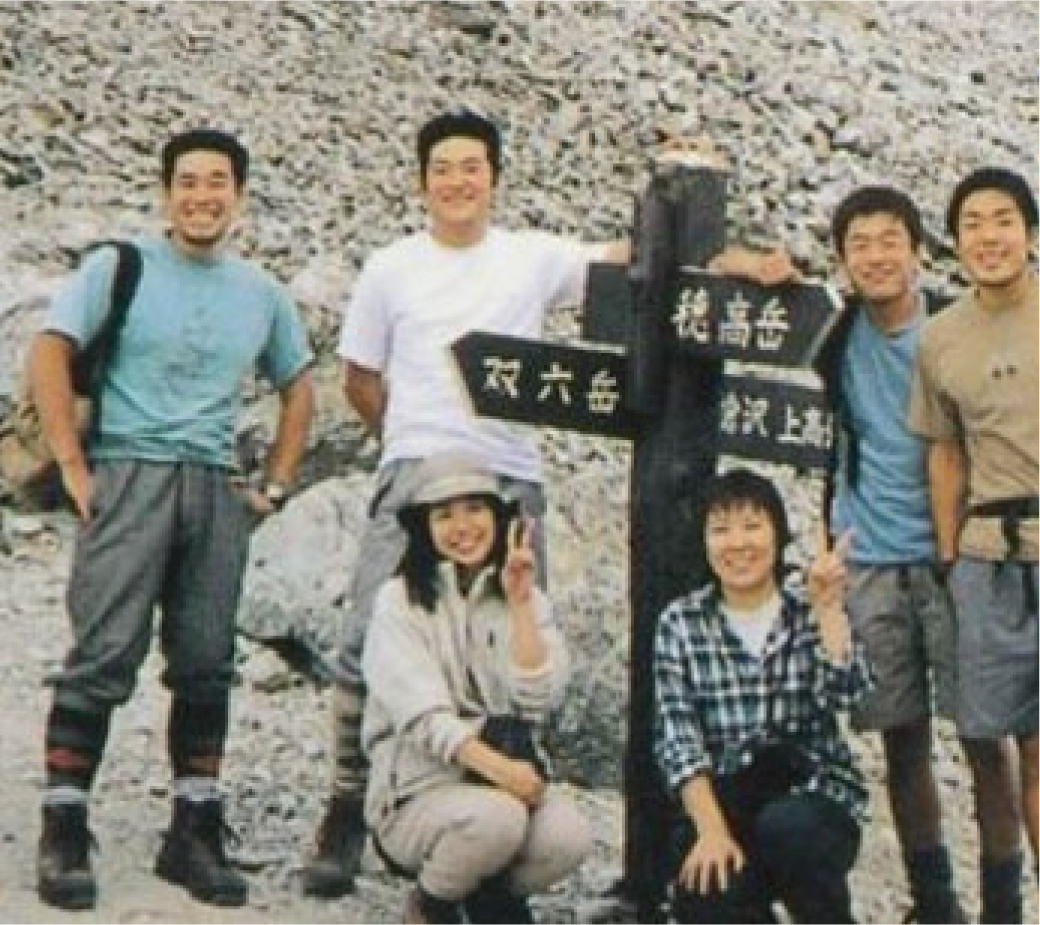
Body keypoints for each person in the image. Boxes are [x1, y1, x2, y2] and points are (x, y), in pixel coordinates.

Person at [303, 107, 798, 896]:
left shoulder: (529, 256)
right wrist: (409, 435)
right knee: (370, 630)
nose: (458, 181)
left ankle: (492, 805)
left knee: (512, 637)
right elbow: (361, 378)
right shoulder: (390, 267)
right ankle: (348, 801)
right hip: (417, 470)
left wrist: (733, 259)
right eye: (442, 169)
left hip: (508, 476)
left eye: (472, 167)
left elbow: (638, 261)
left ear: (494, 177)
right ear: (421, 182)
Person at [30, 128, 315, 910]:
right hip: (130, 469)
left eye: (217, 182)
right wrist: (72, 463)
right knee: (104, 649)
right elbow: (49, 349)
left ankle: (193, 829)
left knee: (205, 657)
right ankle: (63, 824)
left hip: (214, 483)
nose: (201, 196)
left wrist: (276, 482)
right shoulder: (118, 266)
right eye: (187, 182)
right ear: (165, 193)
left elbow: (298, 385)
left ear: (239, 195)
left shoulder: (261, 292)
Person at [820, 185, 1020, 924]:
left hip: (956, 558)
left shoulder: (954, 330)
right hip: (870, 559)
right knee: (901, 738)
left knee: (984, 737)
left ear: (918, 251)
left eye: (889, 240)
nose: (875, 256)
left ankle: (1003, 906)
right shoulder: (837, 331)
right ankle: (933, 903)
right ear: (842, 260)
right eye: (859, 244)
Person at [361, 451, 588, 925]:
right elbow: (425, 718)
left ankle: (486, 897)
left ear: (499, 517)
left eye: (475, 509)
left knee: (569, 837)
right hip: (419, 792)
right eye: (444, 515)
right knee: (497, 820)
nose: (462, 527)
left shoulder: (525, 595)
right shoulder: (397, 601)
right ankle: (432, 904)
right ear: (424, 527)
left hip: (502, 782)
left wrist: (521, 602)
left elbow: (540, 698)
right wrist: (505, 773)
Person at [909, 166, 1040, 925]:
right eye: (972, 225)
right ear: (954, 242)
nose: (989, 237)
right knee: (988, 738)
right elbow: (945, 451)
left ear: (1030, 233)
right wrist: (950, 551)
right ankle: (1001, 909)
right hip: (987, 555)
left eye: (1003, 220)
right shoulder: (941, 337)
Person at [653, 468, 871, 924]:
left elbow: (849, 698)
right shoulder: (681, 623)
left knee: (789, 831)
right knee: (706, 882)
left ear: (778, 534)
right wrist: (711, 832)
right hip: (724, 798)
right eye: (720, 530)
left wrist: (828, 611)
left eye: (752, 526)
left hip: (812, 792)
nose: (737, 544)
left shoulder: (805, 609)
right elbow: (679, 741)